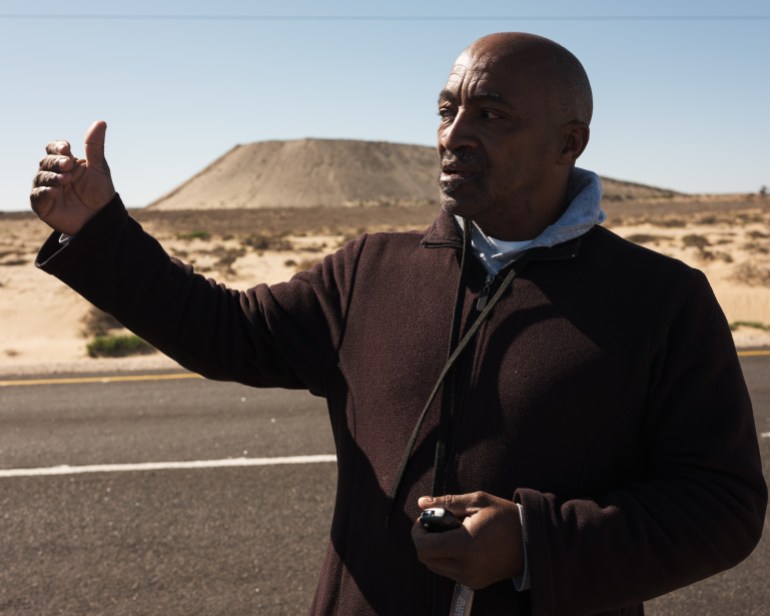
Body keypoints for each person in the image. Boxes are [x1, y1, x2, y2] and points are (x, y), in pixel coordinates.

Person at [30, 32, 766, 616]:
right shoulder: (371, 272)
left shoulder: (659, 300)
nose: (454, 135)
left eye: (492, 115)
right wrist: (100, 233)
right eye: (446, 110)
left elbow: (722, 506)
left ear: (569, 142)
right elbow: (229, 331)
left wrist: (537, 544)